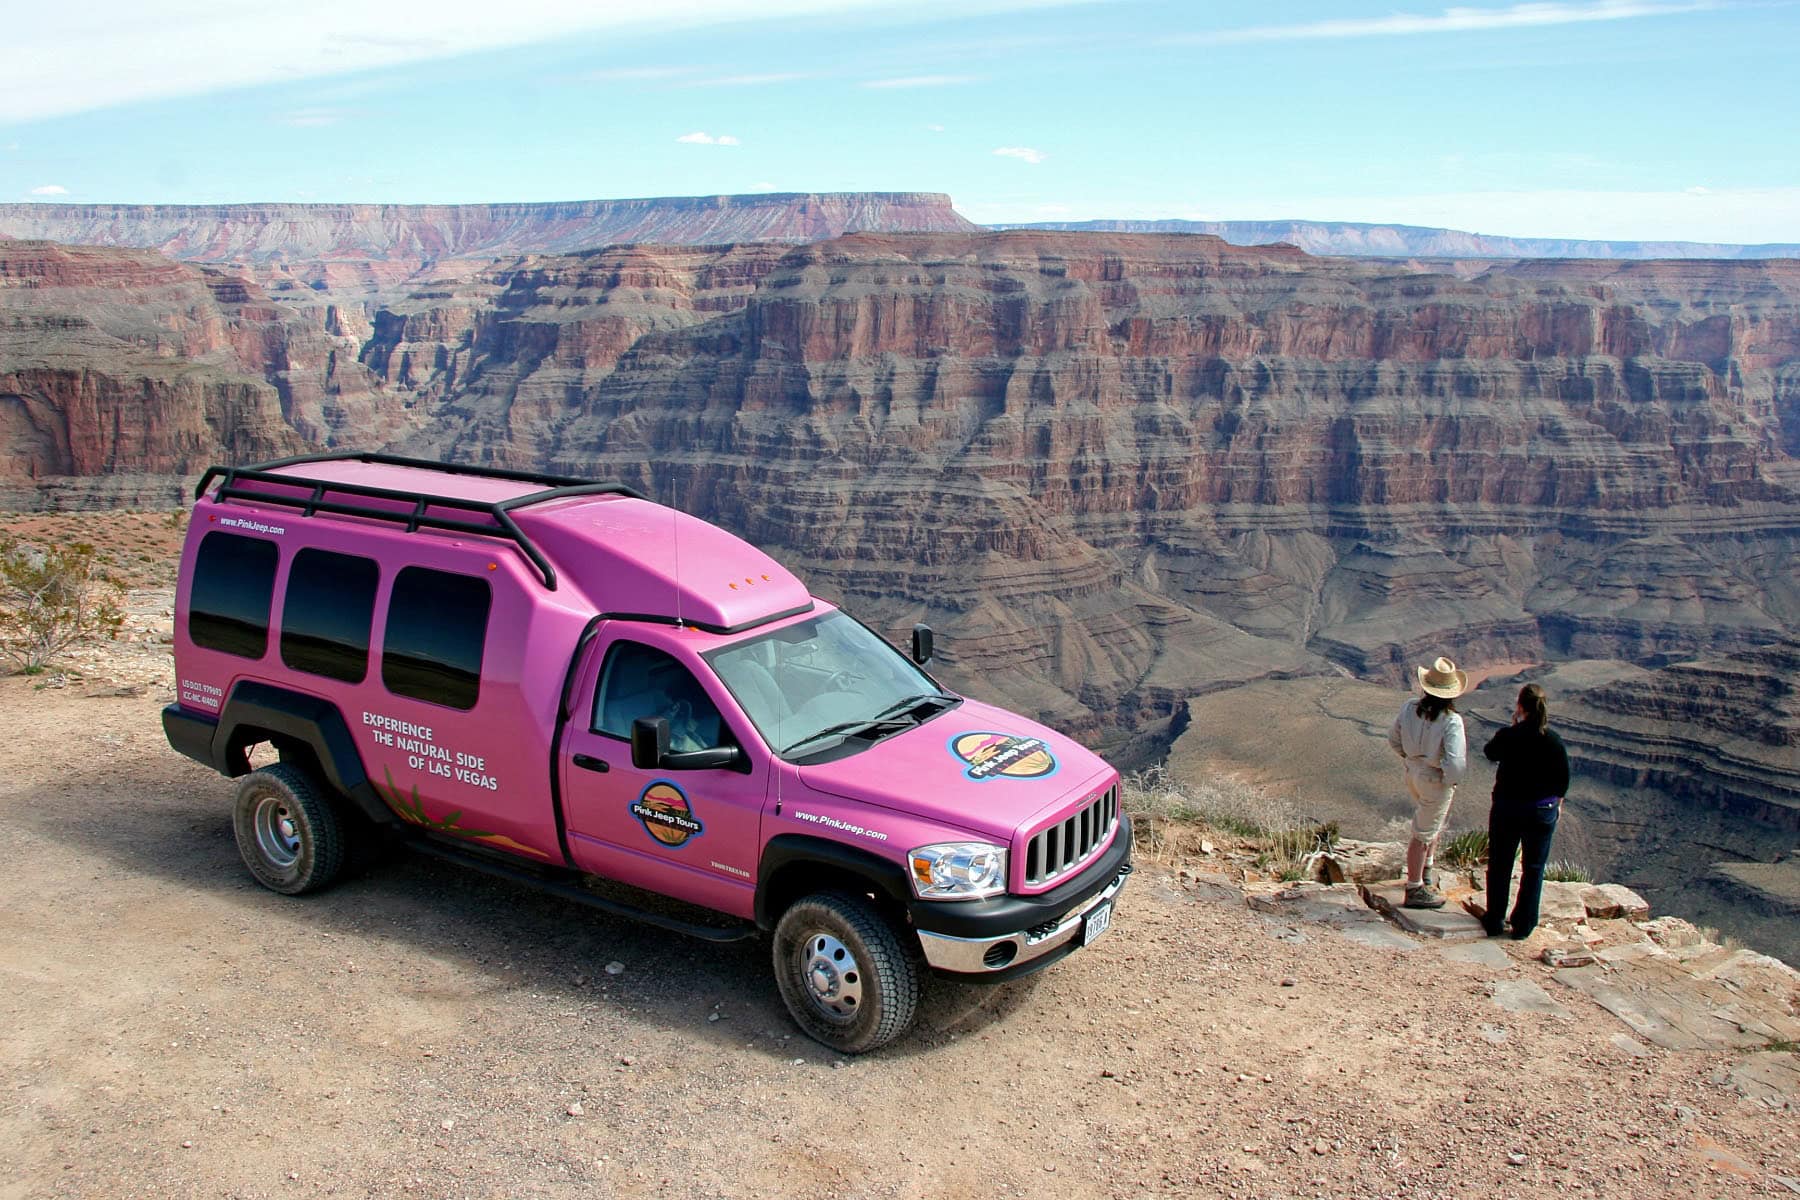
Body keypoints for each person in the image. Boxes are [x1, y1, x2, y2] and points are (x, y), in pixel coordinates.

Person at [1481, 684, 1570, 939]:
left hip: (1507, 809)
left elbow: (1489, 752)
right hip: (1542, 812)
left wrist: (1512, 725)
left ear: (1520, 706)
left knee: (1500, 864)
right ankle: (1524, 925)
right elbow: (1563, 779)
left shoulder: (1509, 735)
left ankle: (1495, 920)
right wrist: (1557, 805)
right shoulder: (1553, 740)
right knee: (1534, 868)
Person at [1387, 656, 1469, 909]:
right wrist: (1448, 779)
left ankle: (1427, 871)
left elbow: (1393, 738)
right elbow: (1456, 763)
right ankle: (1414, 888)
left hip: (1412, 772)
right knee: (1422, 833)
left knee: (1431, 823)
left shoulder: (1409, 708)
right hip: (1435, 778)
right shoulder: (1451, 720)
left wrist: (1410, 759)